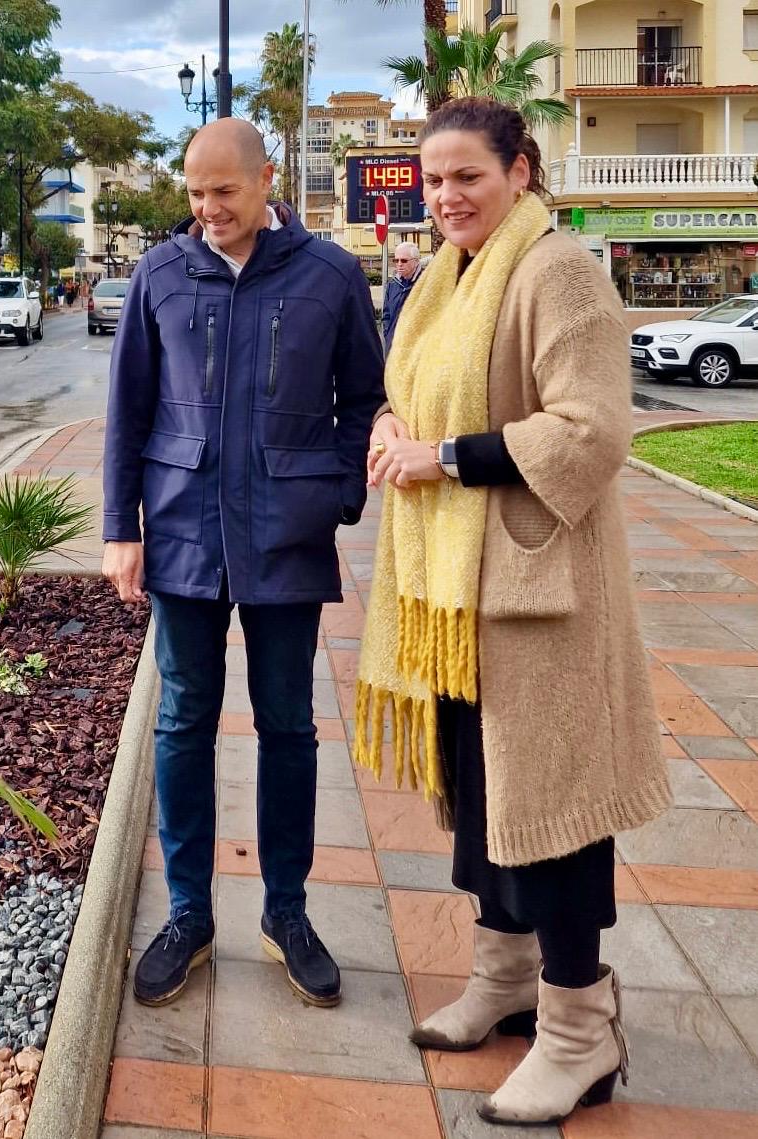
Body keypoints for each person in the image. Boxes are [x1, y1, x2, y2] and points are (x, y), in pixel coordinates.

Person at [355, 97, 670, 1127]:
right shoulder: (442, 277)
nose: (445, 197)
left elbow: (590, 430)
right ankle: (503, 976)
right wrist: (395, 423)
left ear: (520, 170)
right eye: (432, 180)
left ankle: (579, 1027)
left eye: (467, 178)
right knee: (482, 797)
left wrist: (437, 456)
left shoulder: (558, 269)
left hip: (538, 597)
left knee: (551, 811)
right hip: (453, 591)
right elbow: (419, 393)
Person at [103, 117, 385, 1010]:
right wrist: (122, 527)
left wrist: (338, 495)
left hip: (285, 538)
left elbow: (365, 399)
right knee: (182, 721)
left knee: (289, 725)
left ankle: (287, 911)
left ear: (268, 179)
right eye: (194, 193)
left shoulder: (331, 274)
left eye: (224, 192)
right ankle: (188, 912)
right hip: (184, 532)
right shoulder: (160, 273)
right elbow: (128, 412)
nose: (207, 210)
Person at [381, 241, 422, 353]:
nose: (399, 264)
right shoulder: (393, 284)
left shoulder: (425, 284)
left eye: (404, 260)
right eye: (396, 260)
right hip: (393, 347)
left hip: (416, 350)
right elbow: (386, 315)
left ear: (416, 261)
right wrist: (388, 334)